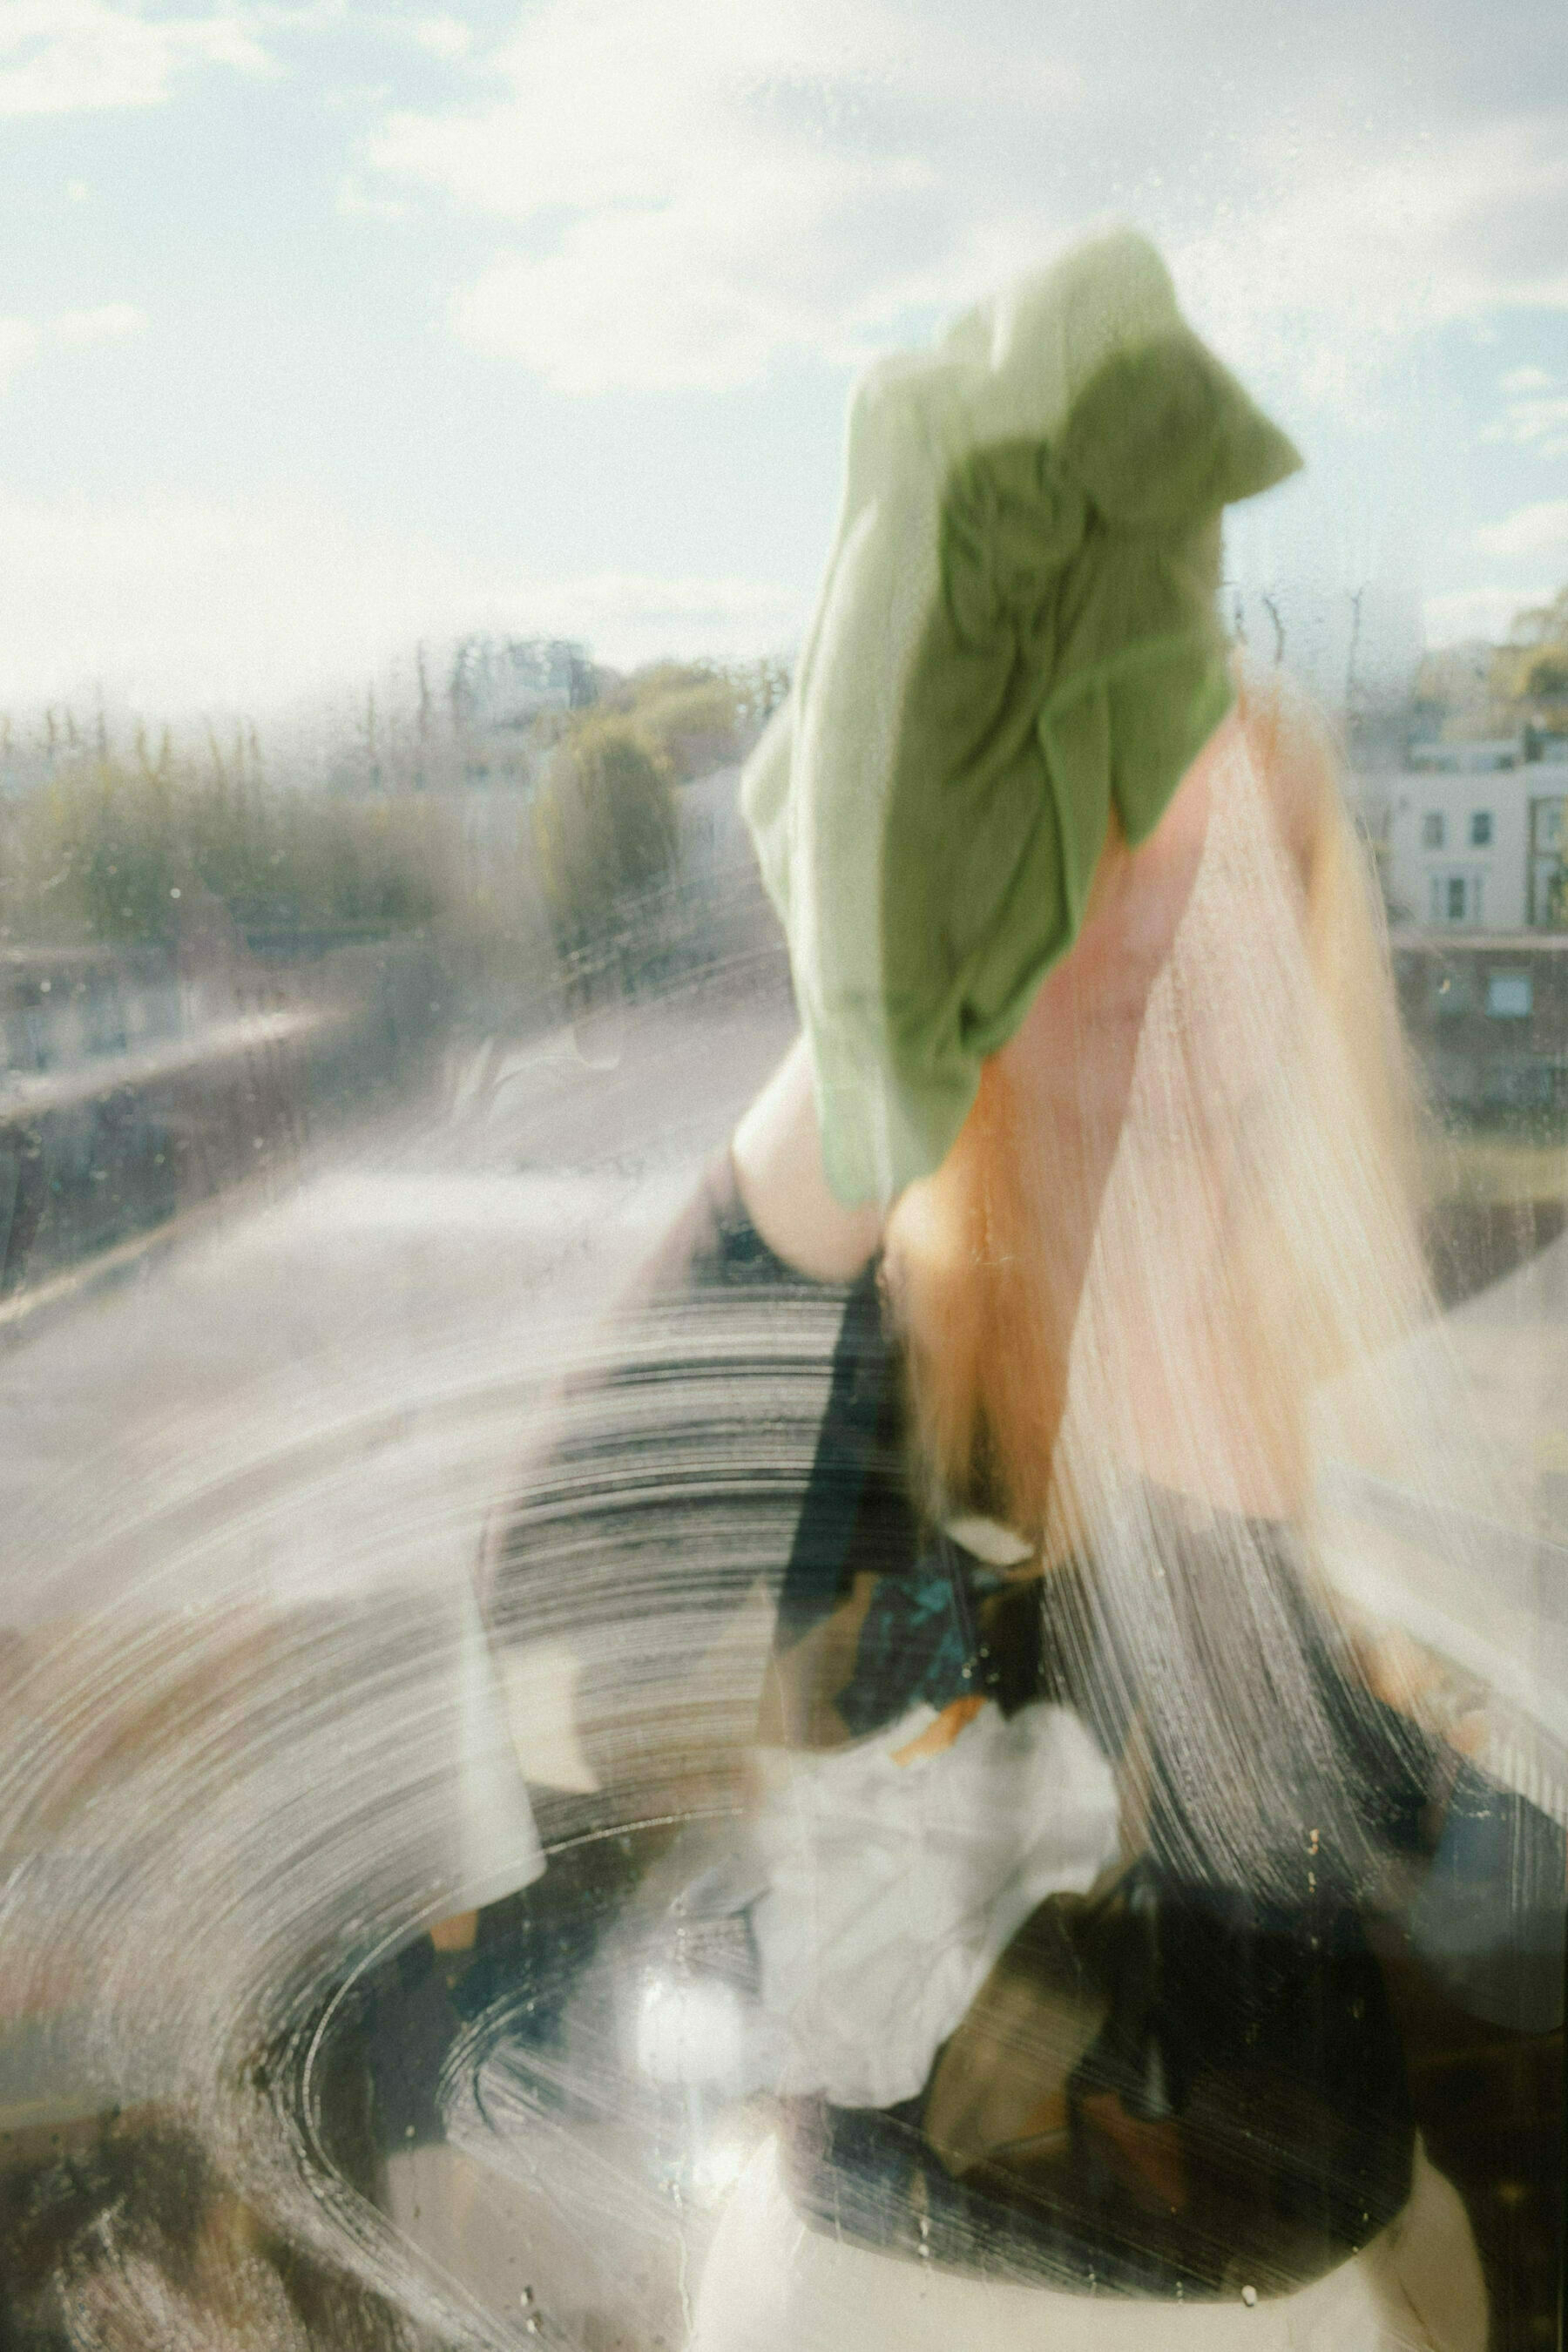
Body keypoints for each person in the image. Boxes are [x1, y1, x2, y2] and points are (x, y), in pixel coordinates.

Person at [472, 229, 1564, 2351]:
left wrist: (1216, 1458)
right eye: (1079, 877)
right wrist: (849, 1086)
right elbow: (569, 1627)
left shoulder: (1413, 1355)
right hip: (858, 2289)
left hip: (1298, 2293)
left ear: (1312, 937)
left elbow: (1477, 1921)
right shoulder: (857, 1334)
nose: (1139, 967)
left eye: (1214, 895)